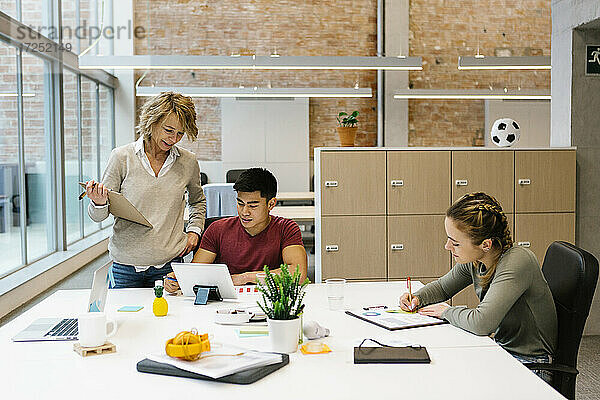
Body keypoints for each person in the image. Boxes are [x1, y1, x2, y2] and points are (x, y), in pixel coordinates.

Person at [399, 192, 557, 382]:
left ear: (486, 244)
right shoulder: (478, 259)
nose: (447, 246)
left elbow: (482, 323)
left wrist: (445, 312)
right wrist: (417, 298)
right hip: (503, 351)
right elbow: (442, 288)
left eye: (455, 242)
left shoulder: (518, 261)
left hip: (531, 365)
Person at [86, 91, 206, 288]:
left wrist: (194, 231)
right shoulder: (121, 158)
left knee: (171, 318)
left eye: (180, 134)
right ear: (152, 122)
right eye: (169, 130)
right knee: (125, 319)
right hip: (125, 267)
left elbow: (198, 201)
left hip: (170, 265)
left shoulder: (188, 162)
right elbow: (98, 216)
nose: (174, 139)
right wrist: (98, 203)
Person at [164, 167, 307, 291]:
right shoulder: (217, 229)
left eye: (253, 206)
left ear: (271, 204)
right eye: (240, 203)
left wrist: (245, 278)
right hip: (225, 305)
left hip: (269, 302)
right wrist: (178, 278)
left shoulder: (286, 228)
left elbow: (298, 274)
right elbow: (196, 272)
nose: (244, 212)